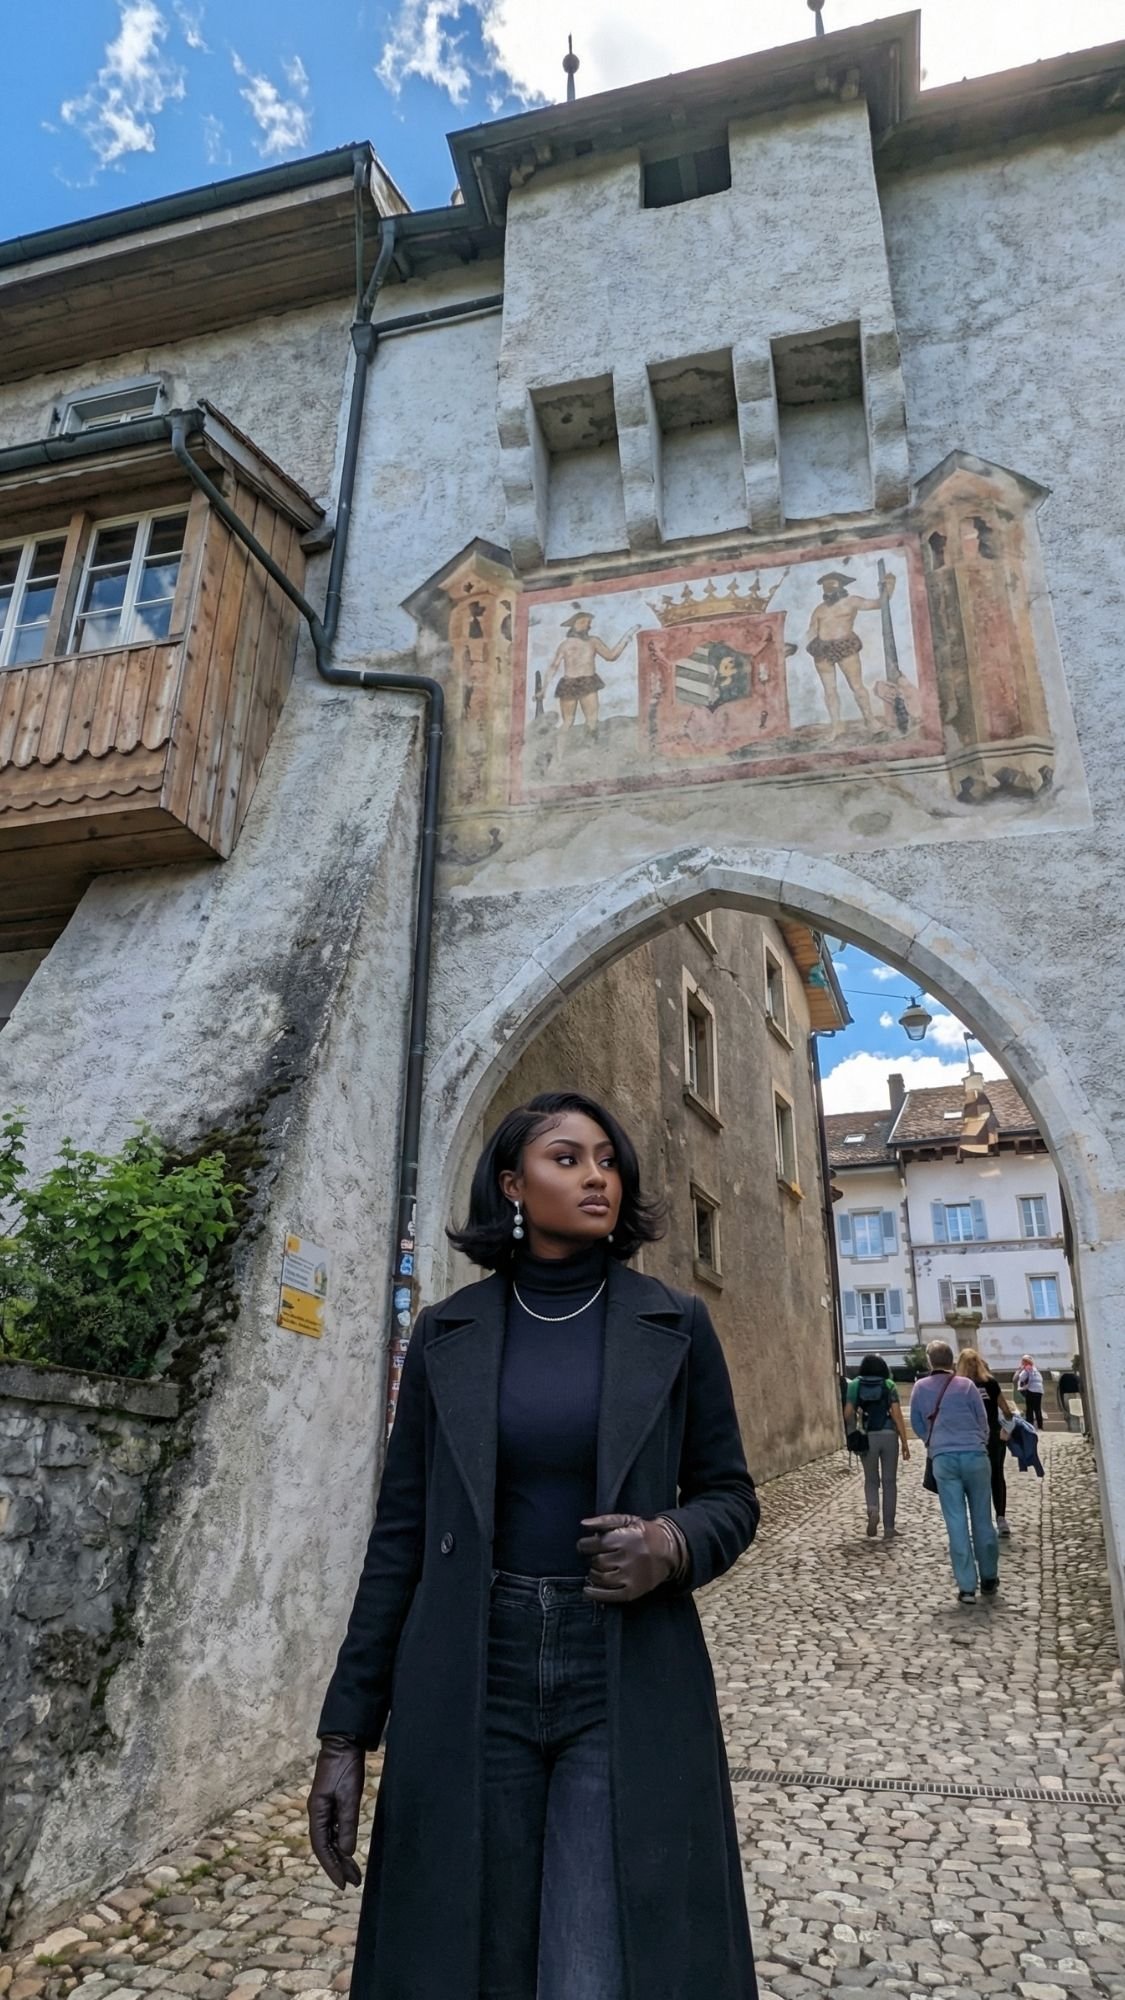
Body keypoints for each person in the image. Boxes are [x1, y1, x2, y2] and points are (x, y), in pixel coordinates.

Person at [306, 1090, 761, 2000]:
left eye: (606, 1158)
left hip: (620, 1665)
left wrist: (670, 1541)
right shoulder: (448, 1333)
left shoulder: (673, 1322)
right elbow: (399, 1534)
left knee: (593, 1961)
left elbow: (731, 1498)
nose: (596, 1175)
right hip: (475, 1663)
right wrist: (345, 1731)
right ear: (512, 1184)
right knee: (471, 1950)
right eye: (567, 1158)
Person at [910, 1337, 999, 1604]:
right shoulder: (967, 1385)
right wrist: (979, 1441)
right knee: (983, 1517)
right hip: (974, 1455)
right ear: (951, 1361)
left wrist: (931, 1441)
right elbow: (982, 1420)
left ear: (929, 1361)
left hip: (944, 1458)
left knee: (956, 1521)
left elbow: (916, 1421)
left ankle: (967, 1586)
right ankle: (990, 1577)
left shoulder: (920, 1388)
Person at [804, 569, 895, 739]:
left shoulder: (852, 601)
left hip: (845, 646)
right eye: (826, 587)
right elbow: (812, 629)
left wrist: (888, 587)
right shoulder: (819, 609)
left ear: (841, 586)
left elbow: (879, 603)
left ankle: (870, 721)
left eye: (832, 585)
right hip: (822, 650)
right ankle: (836, 725)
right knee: (829, 691)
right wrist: (812, 645)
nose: (828, 589)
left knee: (857, 687)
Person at [545, 609, 638, 747]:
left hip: (588, 681)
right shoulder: (565, 645)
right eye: (582, 622)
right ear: (574, 624)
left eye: (588, 622)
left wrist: (626, 638)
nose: (587, 625)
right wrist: (543, 688)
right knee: (568, 721)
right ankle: (558, 756)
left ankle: (590, 749)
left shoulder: (593, 641)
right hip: (569, 683)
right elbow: (554, 666)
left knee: (592, 720)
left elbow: (611, 656)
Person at [843, 1353, 911, 1539]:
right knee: (890, 1482)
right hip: (889, 1436)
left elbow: (847, 1413)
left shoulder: (855, 1385)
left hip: (867, 1437)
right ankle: (889, 1527)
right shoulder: (888, 1385)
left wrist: (853, 1429)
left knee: (871, 1479)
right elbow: (897, 1414)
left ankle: (873, 1510)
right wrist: (904, 1442)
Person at [956, 1346, 1014, 1537]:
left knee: (982, 1478)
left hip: (975, 1438)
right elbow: (1005, 1409)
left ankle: (989, 1519)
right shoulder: (989, 1383)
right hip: (989, 1436)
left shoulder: (960, 1386)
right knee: (995, 1476)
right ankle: (998, 1518)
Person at [1015, 1353, 1045, 1429]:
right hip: (1039, 1390)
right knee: (1038, 1409)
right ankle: (1040, 1426)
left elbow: (1021, 1378)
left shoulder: (1027, 1368)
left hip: (1031, 1390)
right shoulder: (1035, 1369)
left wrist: (1020, 1370)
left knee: (1030, 1409)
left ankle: (1030, 1426)